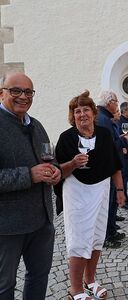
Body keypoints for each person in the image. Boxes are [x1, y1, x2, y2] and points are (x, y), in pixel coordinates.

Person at [55, 91, 125, 300]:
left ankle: (90, 280)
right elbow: (59, 172)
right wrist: (73, 163)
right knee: (78, 239)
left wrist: (120, 191)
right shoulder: (66, 139)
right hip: (76, 192)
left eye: (86, 109)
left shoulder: (103, 135)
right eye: (77, 111)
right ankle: (75, 289)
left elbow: (115, 165)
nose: (82, 114)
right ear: (72, 116)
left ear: (93, 112)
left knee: (96, 238)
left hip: (101, 191)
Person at [0, 72, 61, 300]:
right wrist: (29, 175)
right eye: (15, 90)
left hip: (41, 221)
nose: (23, 96)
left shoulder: (36, 125)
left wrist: (55, 171)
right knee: (4, 286)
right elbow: (32, 172)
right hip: (7, 227)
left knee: (38, 277)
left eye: (28, 92)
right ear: (1, 93)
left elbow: (49, 157)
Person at [96, 91, 128, 248]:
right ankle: (105, 235)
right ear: (110, 102)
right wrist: (125, 140)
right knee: (108, 203)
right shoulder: (103, 119)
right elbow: (110, 146)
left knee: (111, 202)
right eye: (116, 102)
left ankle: (110, 230)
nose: (117, 105)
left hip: (110, 166)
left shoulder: (103, 117)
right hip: (107, 167)